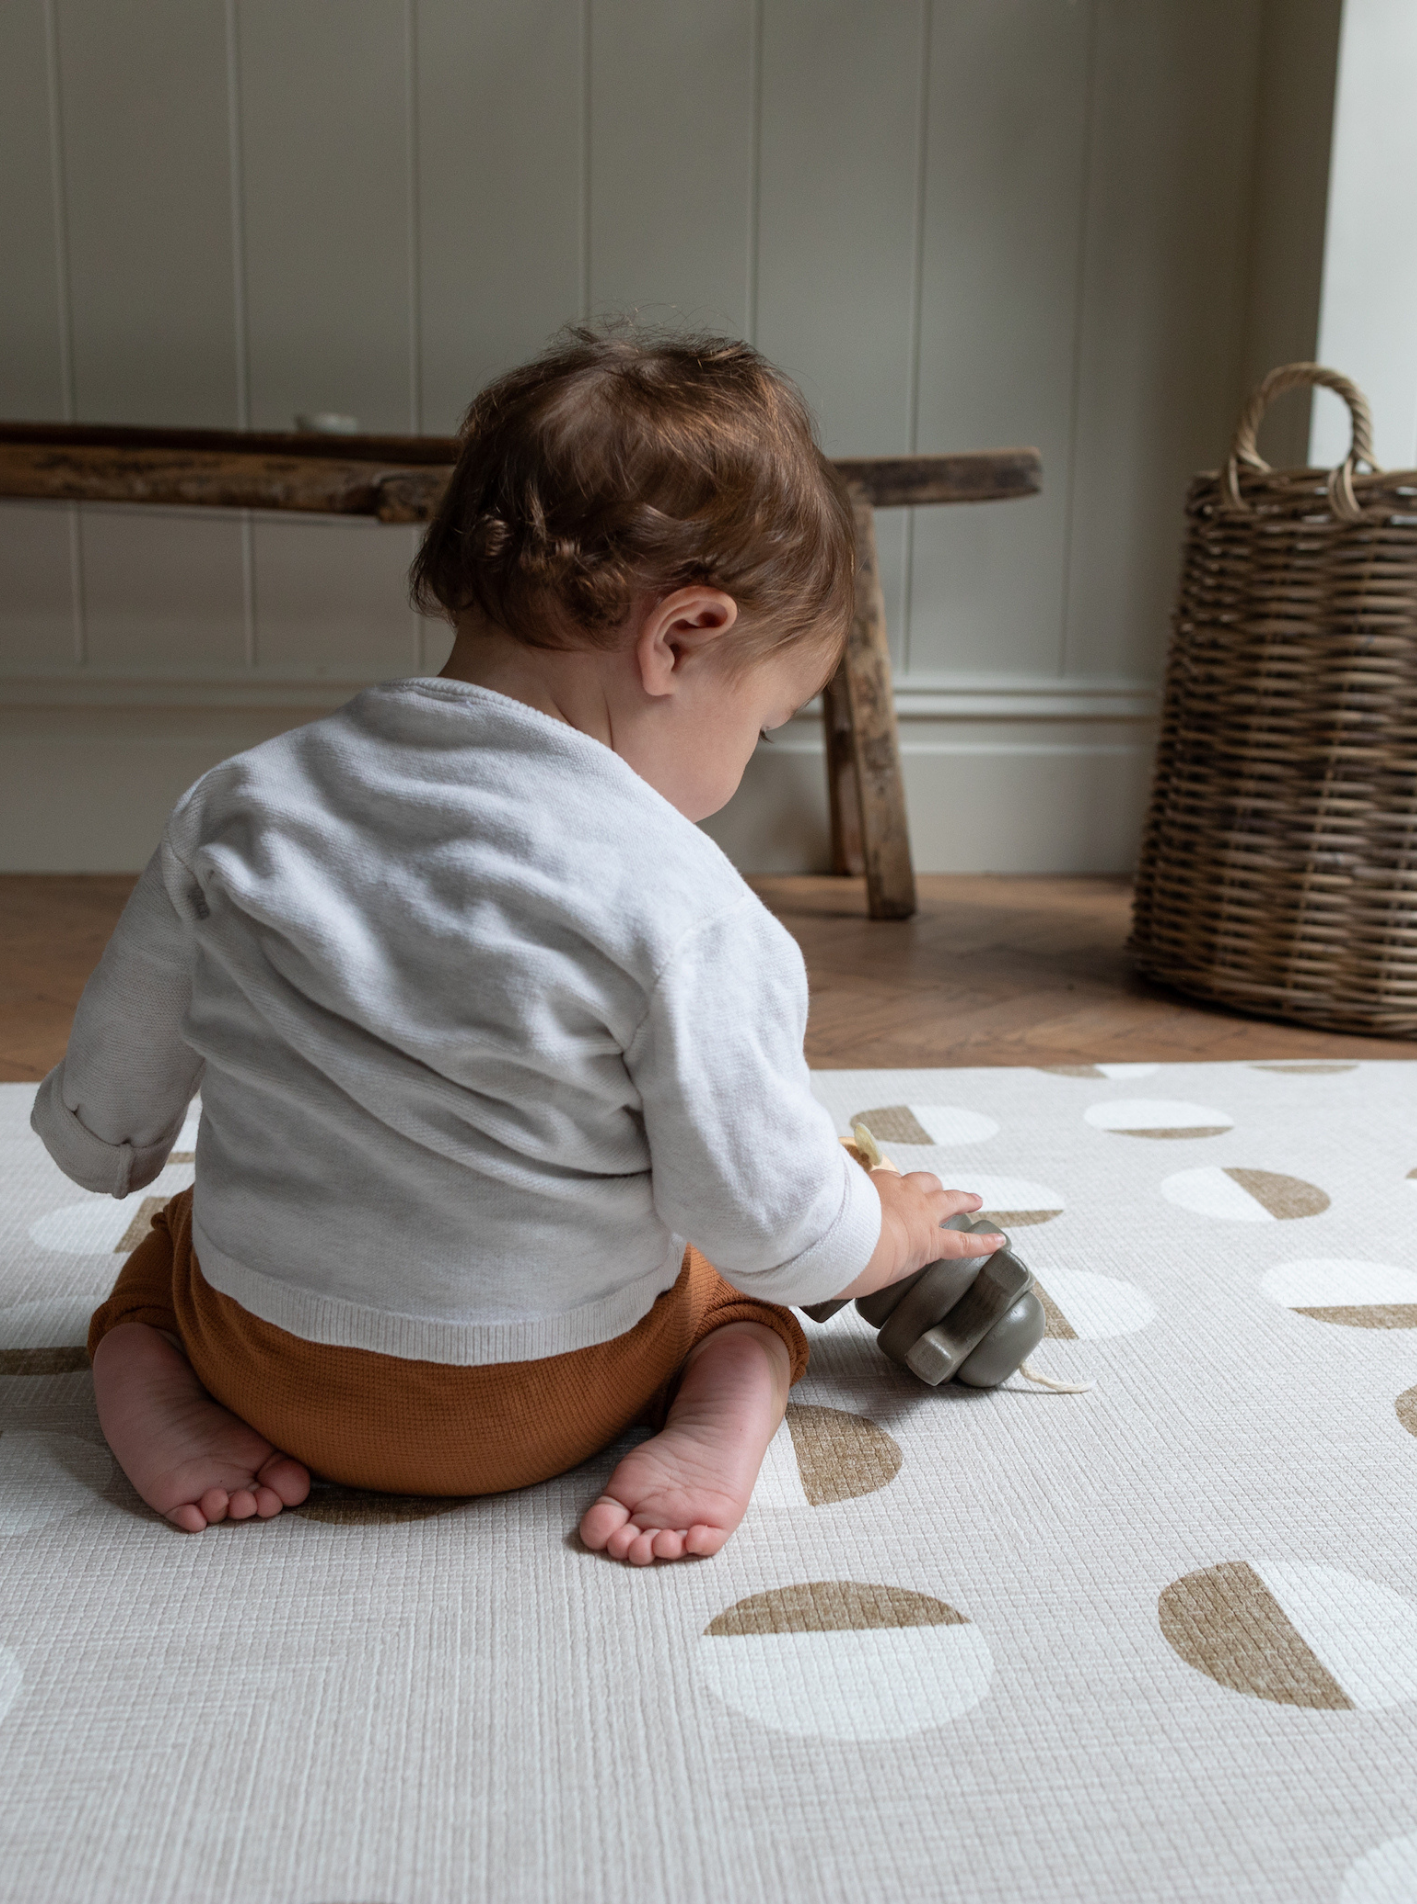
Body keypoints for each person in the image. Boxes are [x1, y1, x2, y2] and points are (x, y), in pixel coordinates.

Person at [32, 327, 996, 1566]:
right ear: (683, 638)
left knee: (164, 1253)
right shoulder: (685, 904)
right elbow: (781, 1220)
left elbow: (103, 1120)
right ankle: (721, 1414)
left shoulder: (242, 805)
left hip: (268, 1368)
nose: (752, 760)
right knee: (738, 1286)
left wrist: (110, 1146)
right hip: (549, 1391)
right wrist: (895, 1229)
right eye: (768, 723)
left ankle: (150, 1393)